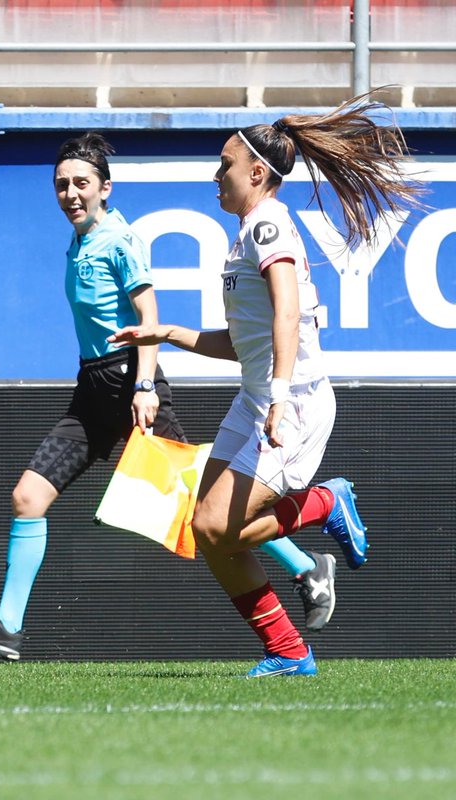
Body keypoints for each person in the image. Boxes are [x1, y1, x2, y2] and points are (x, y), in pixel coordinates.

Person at [0, 132, 339, 662]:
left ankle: (305, 566)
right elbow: (211, 334)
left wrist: (147, 386)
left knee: (201, 511)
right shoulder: (83, 241)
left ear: (105, 188)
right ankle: (7, 627)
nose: (69, 193)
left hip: (131, 386)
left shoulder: (124, 239)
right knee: (28, 497)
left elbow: (149, 316)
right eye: (60, 184)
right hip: (93, 390)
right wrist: (170, 339)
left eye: (80, 183)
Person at [110, 93, 422, 676]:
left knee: (223, 528)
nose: (216, 175)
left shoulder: (269, 224)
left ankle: (328, 502)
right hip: (257, 397)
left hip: (292, 402)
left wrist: (278, 400)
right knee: (206, 528)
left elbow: (285, 314)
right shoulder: (247, 233)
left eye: (224, 164)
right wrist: (167, 332)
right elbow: (245, 342)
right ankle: (287, 650)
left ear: (257, 172)